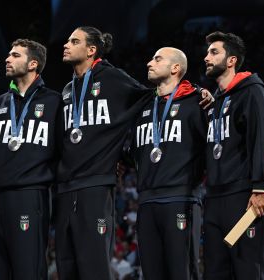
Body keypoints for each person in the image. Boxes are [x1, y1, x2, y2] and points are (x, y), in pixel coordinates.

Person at [55, 26, 152, 280]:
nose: (66, 44)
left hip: (95, 187)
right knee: (67, 269)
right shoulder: (67, 90)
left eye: (74, 41)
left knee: (94, 269)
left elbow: (151, 100)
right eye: (67, 40)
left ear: (91, 50)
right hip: (65, 189)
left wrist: (125, 154)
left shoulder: (112, 79)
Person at [0, 39, 61, 279]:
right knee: (1, 272)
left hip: (30, 196)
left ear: (33, 64)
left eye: (15, 55)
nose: (7, 59)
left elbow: (66, 152)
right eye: (8, 55)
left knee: (28, 271)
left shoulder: (54, 103)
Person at [131, 47, 207, 280]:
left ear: (176, 68)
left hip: (181, 199)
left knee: (182, 273)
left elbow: (215, 146)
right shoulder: (143, 104)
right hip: (146, 203)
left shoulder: (197, 102)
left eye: (157, 59)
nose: (149, 63)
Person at [203, 31, 264, 280]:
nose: (206, 58)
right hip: (213, 198)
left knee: (248, 271)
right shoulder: (215, 102)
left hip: (243, 196)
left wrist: (259, 187)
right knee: (214, 272)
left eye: (214, 52)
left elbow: (260, 139)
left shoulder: (252, 91)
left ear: (231, 60)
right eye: (207, 52)